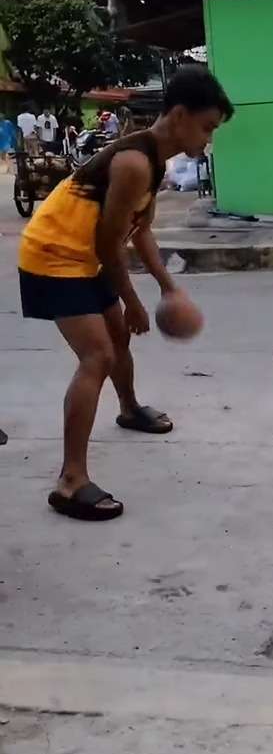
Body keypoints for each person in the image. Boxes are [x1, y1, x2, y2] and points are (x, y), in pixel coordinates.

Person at [18, 66, 234, 521]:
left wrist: (168, 287)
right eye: (207, 127)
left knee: (118, 338)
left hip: (83, 253)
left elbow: (141, 233)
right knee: (97, 356)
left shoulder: (154, 161)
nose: (208, 140)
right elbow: (107, 242)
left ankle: (129, 408)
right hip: (53, 253)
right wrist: (135, 300)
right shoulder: (134, 162)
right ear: (179, 115)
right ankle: (70, 480)